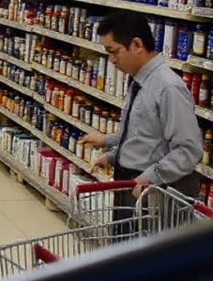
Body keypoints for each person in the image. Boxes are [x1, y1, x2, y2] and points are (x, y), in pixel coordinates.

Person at [78, 11, 201, 202]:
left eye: (113, 51)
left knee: (147, 234)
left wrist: (150, 177)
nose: (110, 60)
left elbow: (188, 151)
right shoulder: (139, 80)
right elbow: (144, 135)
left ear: (136, 45)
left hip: (154, 191)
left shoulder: (168, 87)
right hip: (131, 182)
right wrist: (112, 153)